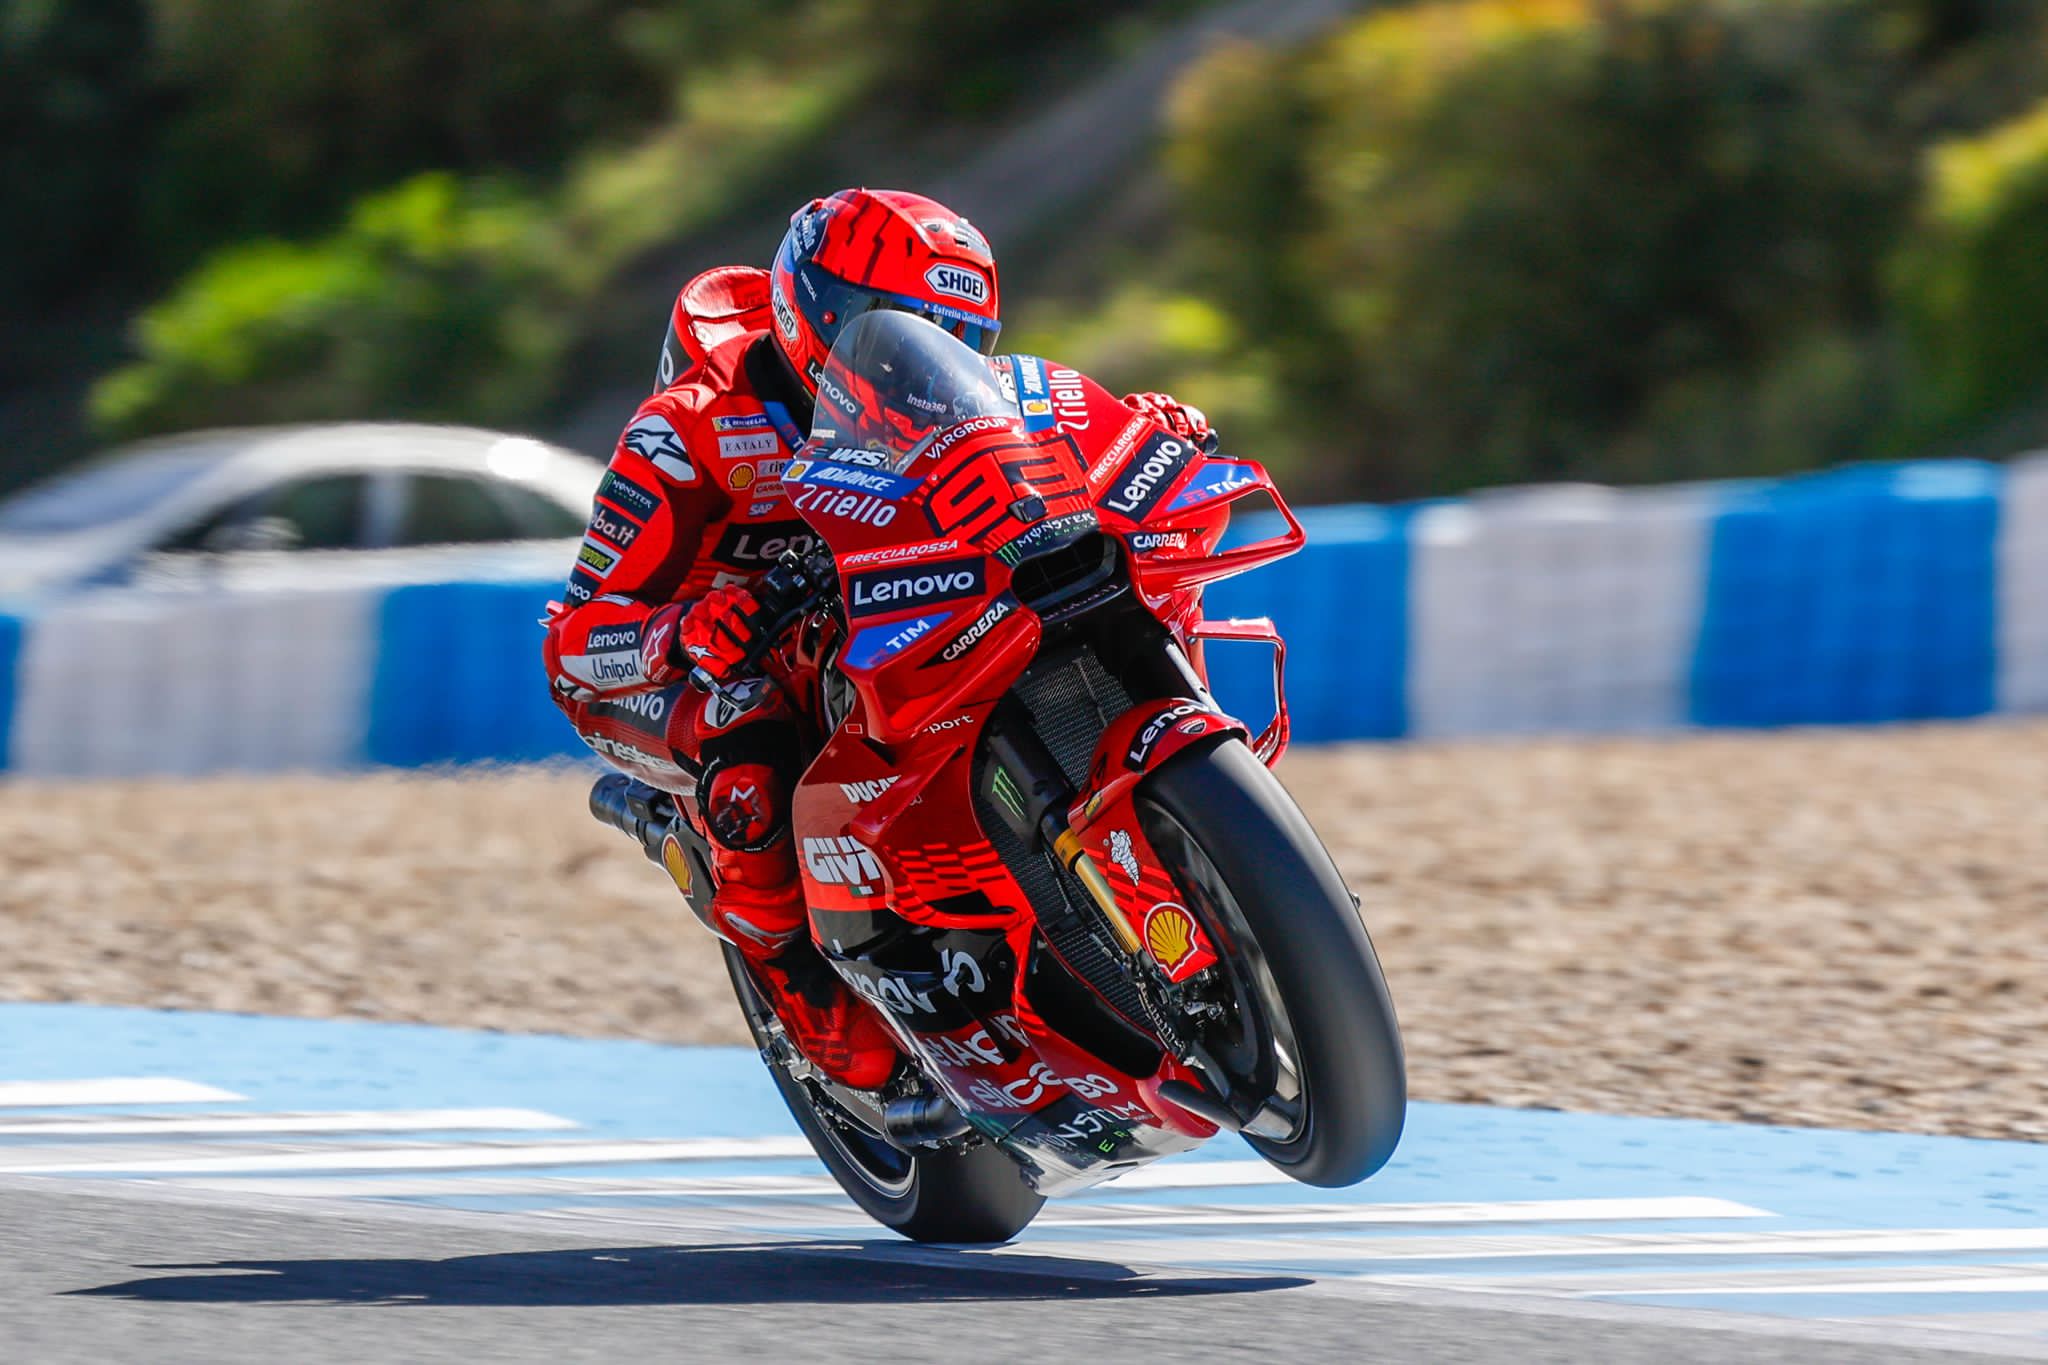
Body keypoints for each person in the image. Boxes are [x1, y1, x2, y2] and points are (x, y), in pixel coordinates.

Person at [542, 187, 1212, 1091]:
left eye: (956, 335)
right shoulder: (690, 426)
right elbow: (575, 635)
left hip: (855, 615)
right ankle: (801, 986)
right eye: (891, 324)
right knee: (748, 737)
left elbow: (1035, 451)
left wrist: (1132, 430)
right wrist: (687, 628)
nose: (919, 356)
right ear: (808, 308)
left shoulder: (937, 400)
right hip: (679, 664)